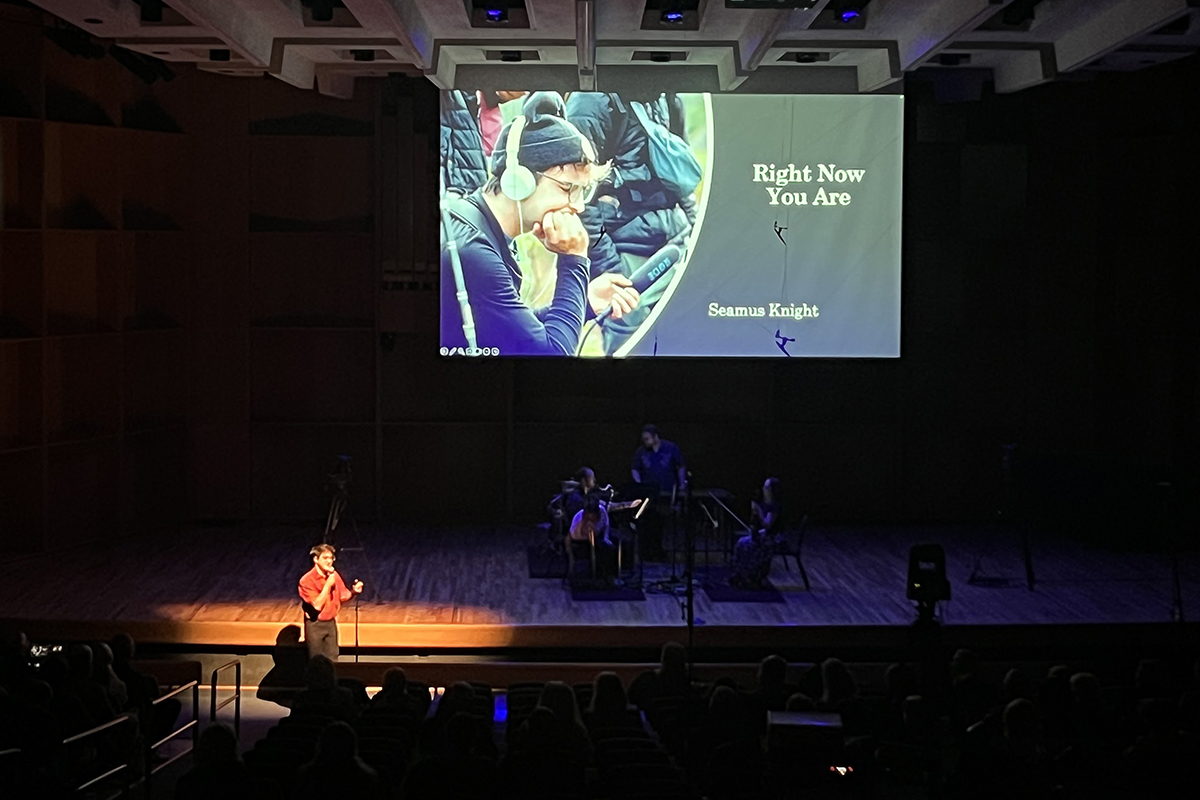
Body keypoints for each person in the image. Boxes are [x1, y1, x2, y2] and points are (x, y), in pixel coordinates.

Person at [440, 92, 627, 356]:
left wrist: (584, 303)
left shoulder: (480, 228)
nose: (578, 206)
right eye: (567, 188)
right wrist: (573, 260)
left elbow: (513, 331)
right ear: (519, 180)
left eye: (582, 192)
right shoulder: (474, 250)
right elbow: (550, 355)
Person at [566, 92, 699, 353]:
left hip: (676, 246)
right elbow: (576, 198)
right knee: (631, 356)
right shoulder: (589, 104)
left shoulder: (668, 97)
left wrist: (696, 234)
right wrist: (611, 270)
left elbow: (681, 175)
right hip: (623, 255)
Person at [298, 544, 363, 661]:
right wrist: (328, 584)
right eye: (325, 558)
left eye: (331, 558)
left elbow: (344, 596)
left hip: (330, 624)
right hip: (315, 625)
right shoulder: (306, 580)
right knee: (316, 661)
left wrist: (354, 591)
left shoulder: (334, 575)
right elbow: (317, 606)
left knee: (333, 659)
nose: (329, 561)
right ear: (316, 559)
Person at [631, 424, 686, 560]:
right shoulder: (641, 451)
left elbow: (680, 466)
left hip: (667, 492)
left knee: (663, 524)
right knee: (648, 523)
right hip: (649, 494)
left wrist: (681, 485)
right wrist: (639, 485)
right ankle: (648, 553)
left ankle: (661, 552)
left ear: (655, 437)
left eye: (647, 438)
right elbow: (635, 468)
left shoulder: (671, 448)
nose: (645, 442)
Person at [730, 478, 783, 589]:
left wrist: (758, 511)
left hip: (772, 538)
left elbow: (767, 524)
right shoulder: (764, 503)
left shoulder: (775, 506)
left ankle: (752, 576)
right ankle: (740, 575)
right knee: (741, 543)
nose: (764, 489)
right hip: (762, 535)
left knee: (748, 546)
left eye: (766, 487)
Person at [567, 494, 616, 582]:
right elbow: (572, 536)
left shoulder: (602, 512)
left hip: (597, 538)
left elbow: (606, 526)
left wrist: (605, 538)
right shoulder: (578, 517)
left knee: (610, 548)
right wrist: (588, 536)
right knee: (597, 551)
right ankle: (595, 576)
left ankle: (607, 576)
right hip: (581, 541)